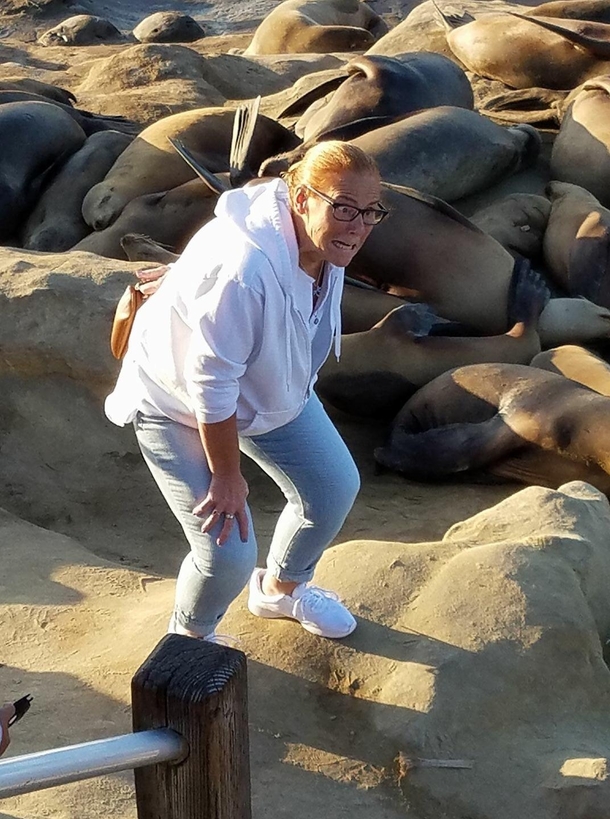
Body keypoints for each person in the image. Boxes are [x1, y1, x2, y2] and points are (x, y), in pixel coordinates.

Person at [105, 140, 388, 641]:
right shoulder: (247, 268)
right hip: (176, 403)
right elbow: (210, 382)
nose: (358, 226)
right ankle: (189, 638)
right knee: (227, 552)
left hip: (267, 388)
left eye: (370, 212)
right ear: (301, 198)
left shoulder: (324, 243)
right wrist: (227, 475)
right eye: (344, 207)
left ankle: (281, 589)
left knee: (332, 488)